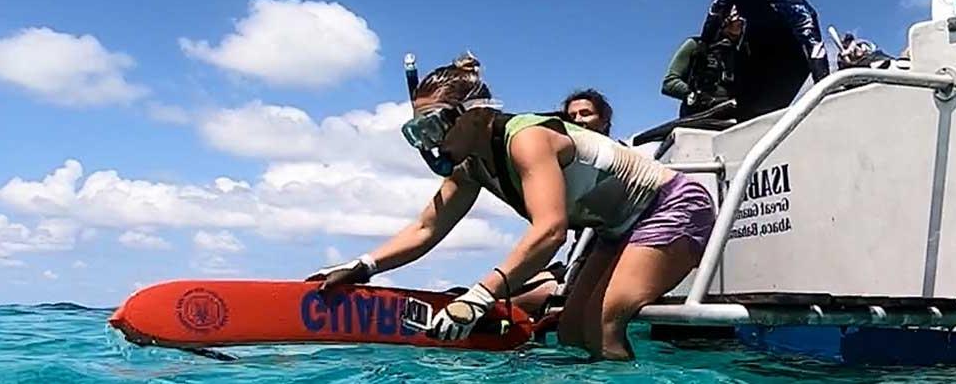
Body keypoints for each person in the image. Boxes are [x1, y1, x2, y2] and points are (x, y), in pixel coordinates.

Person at [306, 56, 716, 361]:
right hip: (616, 229)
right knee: (572, 333)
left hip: (672, 206)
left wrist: (479, 297)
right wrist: (363, 266)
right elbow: (426, 228)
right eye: (418, 130)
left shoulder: (527, 140)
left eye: (435, 125)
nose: (429, 142)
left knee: (605, 323)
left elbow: (550, 230)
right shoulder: (470, 167)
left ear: (477, 115)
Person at [699, 0, 828, 122]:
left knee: (765, 110)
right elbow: (718, 9)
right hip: (755, 44)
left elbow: (809, 31)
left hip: (790, 53)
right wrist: (702, 45)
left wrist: (823, 84)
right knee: (741, 109)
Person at [664, 11, 742, 118]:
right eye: (736, 24)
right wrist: (694, 96)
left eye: (741, 25)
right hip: (698, 117)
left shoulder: (739, 54)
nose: (738, 30)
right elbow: (669, 83)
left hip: (731, 117)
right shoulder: (695, 46)